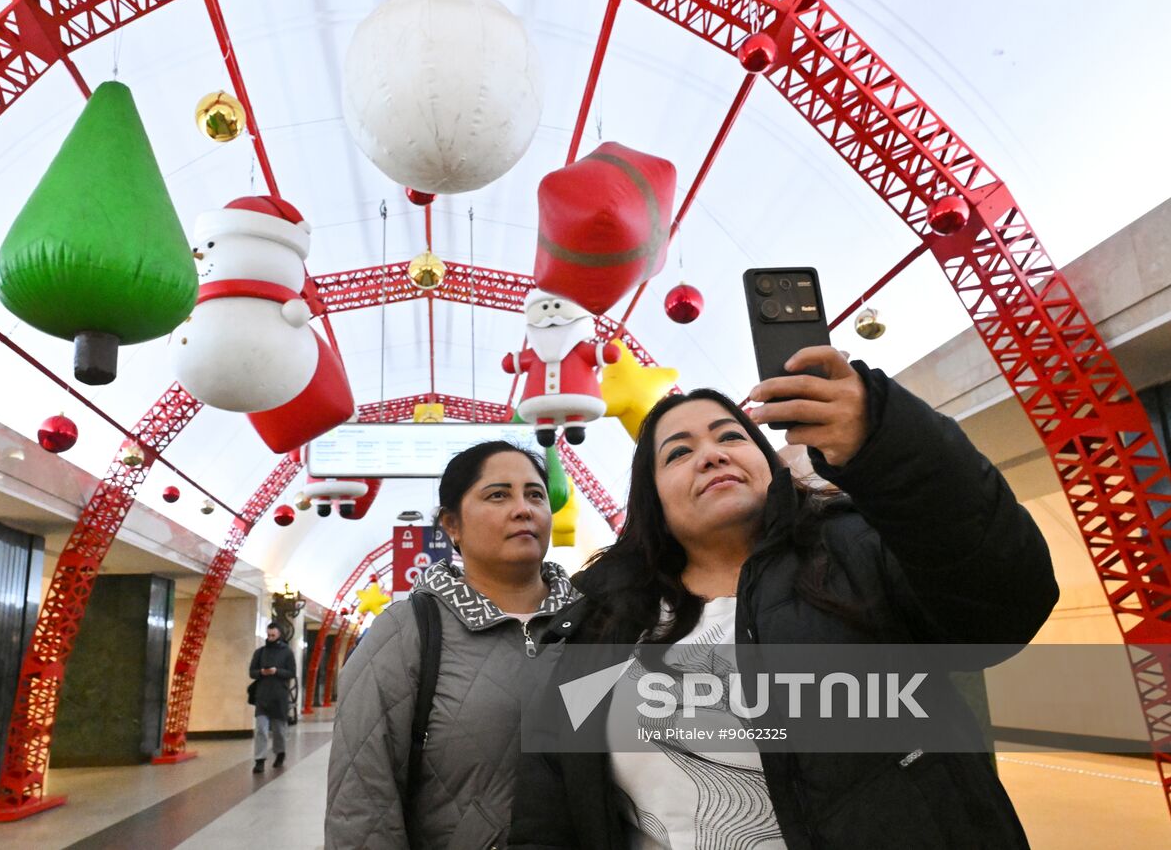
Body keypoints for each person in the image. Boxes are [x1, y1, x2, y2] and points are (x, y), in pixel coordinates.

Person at [510, 347, 1059, 849]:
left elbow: (1004, 604)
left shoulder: (859, 549)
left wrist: (889, 439)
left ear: (769, 463)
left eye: (731, 437)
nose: (711, 456)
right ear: (651, 499)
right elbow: (552, 795)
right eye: (679, 453)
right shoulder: (599, 621)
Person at [326, 441, 581, 849]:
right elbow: (362, 805)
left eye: (535, 495)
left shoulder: (598, 622)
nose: (523, 509)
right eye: (498, 495)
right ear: (452, 524)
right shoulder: (405, 633)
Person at [249, 621, 296, 774]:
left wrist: (277, 671)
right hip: (262, 696)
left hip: (279, 696)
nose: (270, 638)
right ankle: (260, 760)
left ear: (279, 635)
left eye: (273, 635)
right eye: (268, 635)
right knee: (261, 729)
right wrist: (261, 672)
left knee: (279, 729)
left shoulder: (287, 652)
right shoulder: (260, 652)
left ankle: (280, 753)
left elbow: (292, 673)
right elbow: (252, 672)